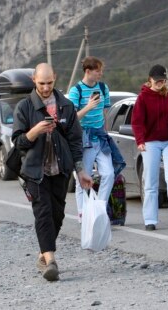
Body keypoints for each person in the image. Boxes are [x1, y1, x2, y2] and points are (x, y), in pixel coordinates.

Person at [11, 63, 93, 282]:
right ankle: (51, 261)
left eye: (49, 83)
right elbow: (18, 142)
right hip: (35, 172)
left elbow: (75, 141)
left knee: (57, 215)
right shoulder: (24, 107)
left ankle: (42, 254)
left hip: (60, 170)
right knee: (43, 213)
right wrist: (35, 131)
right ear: (33, 80)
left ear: (54, 78)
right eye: (41, 83)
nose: (46, 88)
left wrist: (80, 171)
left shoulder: (66, 106)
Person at [131, 64, 168, 232]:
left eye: (163, 81)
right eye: (157, 81)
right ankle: (150, 219)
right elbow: (137, 122)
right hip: (150, 142)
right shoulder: (142, 98)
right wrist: (140, 140)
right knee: (150, 181)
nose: (160, 83)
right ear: (150, 80)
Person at [68, 56, 122, 221]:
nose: (100, 74)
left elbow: (104, 112)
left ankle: (99, 209)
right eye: (98, 71)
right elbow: (72, 118)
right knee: (82, 176)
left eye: (101, 71)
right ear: (88, 71)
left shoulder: (103, 88)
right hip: (84, 137)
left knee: (109, 173)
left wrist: (106, 131)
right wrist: (88, 107)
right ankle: (83, 213)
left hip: (100, 136)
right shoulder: (76, 90)